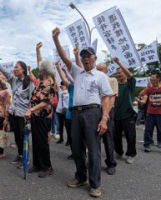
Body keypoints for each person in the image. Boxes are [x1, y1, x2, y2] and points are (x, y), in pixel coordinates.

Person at [52, 27, 112, 198]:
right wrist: (56, 39)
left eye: (89, 57)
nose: (86, 59)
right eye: (83, 57)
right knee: (76, 148)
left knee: (93, 150)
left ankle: (95, 184)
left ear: (95, 58)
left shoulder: (100, 76)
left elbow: (107, 98)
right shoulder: (77, 72)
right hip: (75, 114)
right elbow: (64, 56)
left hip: (93, 113)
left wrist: (104, 119)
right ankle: (80, 176)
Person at [0, 51, 34, 165]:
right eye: (14, 67)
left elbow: (32, 99)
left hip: (23, 114)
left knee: (23, 136)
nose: (14, 69)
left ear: (23, 69)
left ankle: (25, 158)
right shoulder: (13, 79)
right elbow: (3, 70)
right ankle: (19, 155)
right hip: (13, 113)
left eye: (17, 67)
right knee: (16, 136)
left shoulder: (29, 82)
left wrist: (30, 111)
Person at [25, 58, 56, 178]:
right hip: (35, 116)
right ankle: (37, 164)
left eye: (40, 69)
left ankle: (47, 167)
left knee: (43, 143)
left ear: (44, 71)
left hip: (43, 116)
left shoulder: (50, 83)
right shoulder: (40, 83)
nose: (38, 70)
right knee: (36, 141)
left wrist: (31, 109)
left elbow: (46, 102)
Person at [136, 72, 161, 155]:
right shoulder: (149, 89)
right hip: (150, 112)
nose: (150, 79)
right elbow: (142, 95)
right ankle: (147, 145)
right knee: (148, 129)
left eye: (152, 77)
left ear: (158, 78)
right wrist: (147, 87)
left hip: (160, 113)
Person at [113, 57, 137, 164]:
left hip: (128, 115)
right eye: (117, 73)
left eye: (121, 72)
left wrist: (119, 62)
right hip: (116, 115)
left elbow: (130, 75)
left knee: (130, 136)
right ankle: (119, 152)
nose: (119, 74)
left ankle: (131, 154)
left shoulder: (130, 84)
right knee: (116, 136)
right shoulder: (115, 85)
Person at [96, 62, 118, 175]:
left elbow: (112, 98)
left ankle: (111, 163)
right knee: (95, 137)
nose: (99, 71)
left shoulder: (112, 80)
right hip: (95, 110)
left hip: (107, 111)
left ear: (106, 71)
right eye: (97, 69)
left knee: (108, 138)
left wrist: (105, 115)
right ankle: (94, 162)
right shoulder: (95, 80)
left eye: (101, 69)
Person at [55, 63, 75, 160]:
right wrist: (59, 69)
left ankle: (83, 153)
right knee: (71, 135)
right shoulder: (70, 86)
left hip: (78, 115)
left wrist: (65, 71)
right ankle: (74, 153)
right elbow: (64, 79)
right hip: (68, 115)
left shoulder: (80, 86)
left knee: (78, 136)